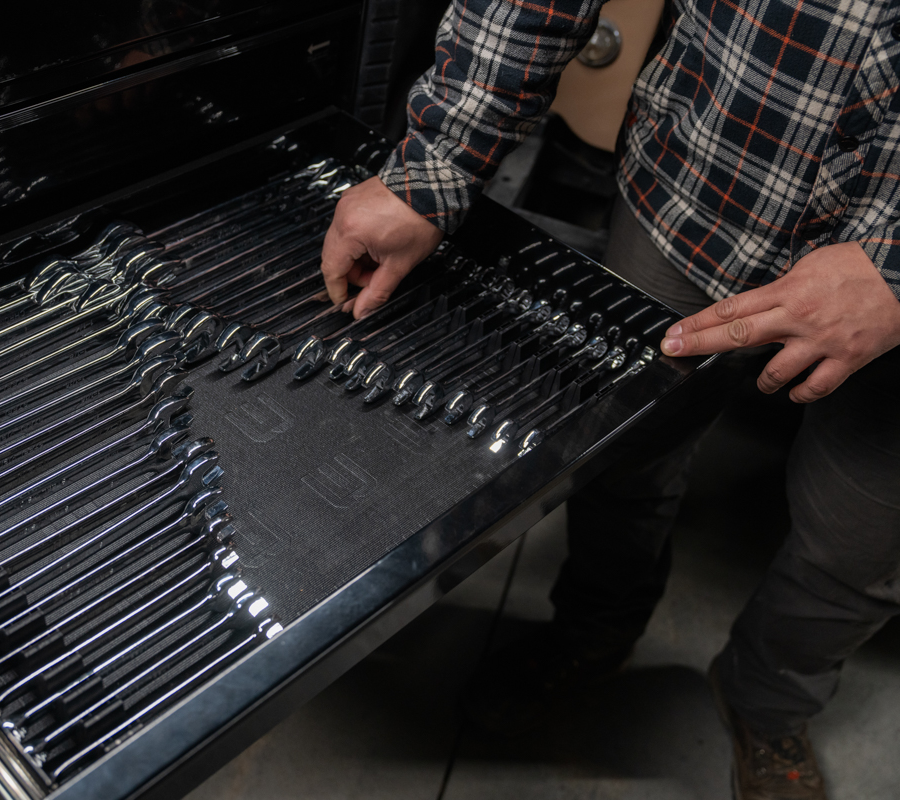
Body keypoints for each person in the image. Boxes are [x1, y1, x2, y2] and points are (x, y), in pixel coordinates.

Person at [319, 2, 900, 798]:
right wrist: (436, 162)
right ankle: (593, 632)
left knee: (862, 551)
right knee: (626, 459)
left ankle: (766, 703)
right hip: (694, 194)